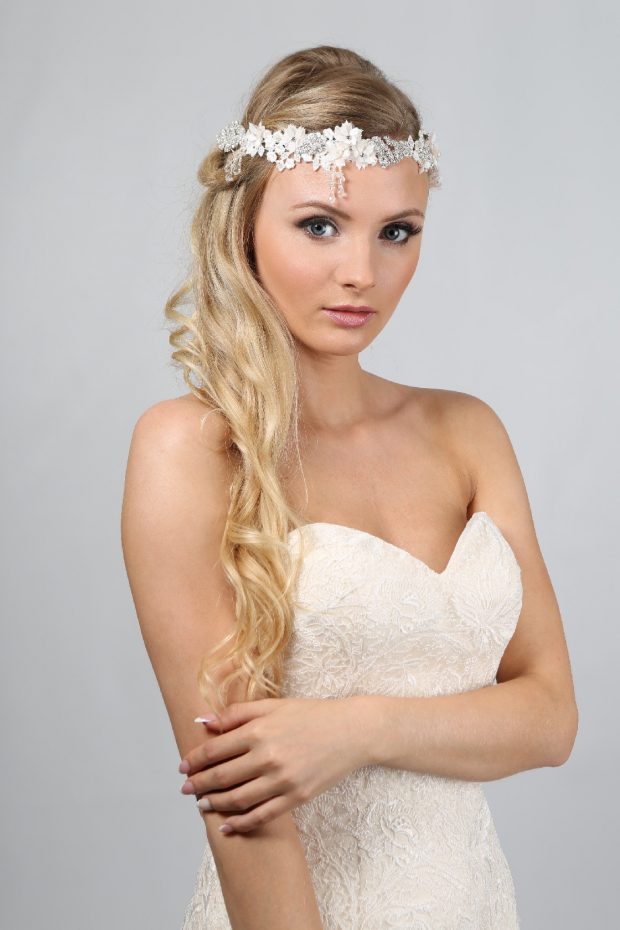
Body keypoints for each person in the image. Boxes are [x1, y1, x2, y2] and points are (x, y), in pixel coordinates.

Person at [120, 44, 578, 930]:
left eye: (396, 231)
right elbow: (243, 810)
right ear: (245, 224)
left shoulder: (468, 430)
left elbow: (552, 717)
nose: (362, 271)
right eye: (320, 226)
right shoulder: (189, 449)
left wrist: (354, 729)